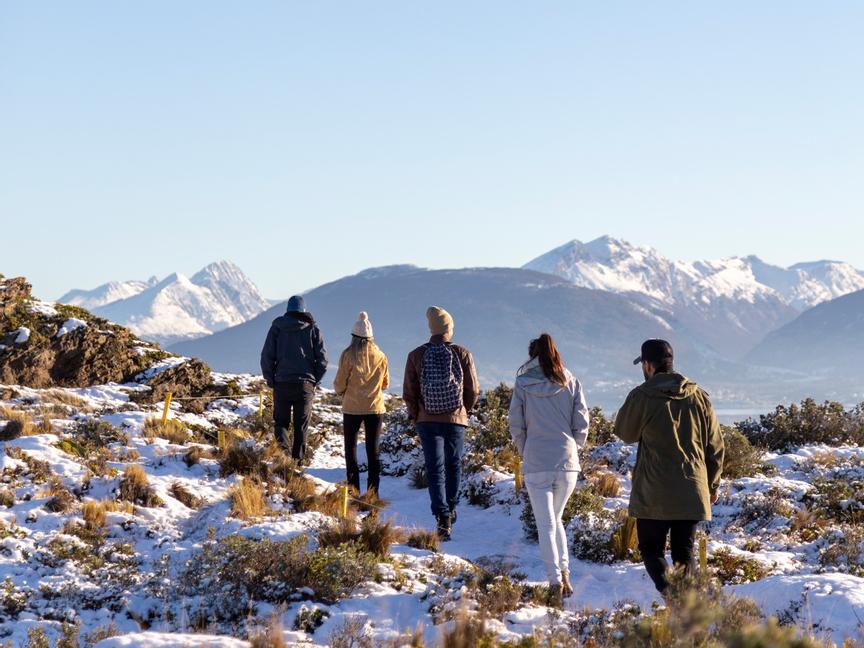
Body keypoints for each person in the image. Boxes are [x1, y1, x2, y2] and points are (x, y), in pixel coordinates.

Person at [613, 339, 725, 595]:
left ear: (648, 365)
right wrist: (712, 484)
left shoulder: (642, 396)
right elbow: (716, 445)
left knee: (651, 550)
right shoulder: (699, 396)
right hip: (692, 489)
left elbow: (625, 432)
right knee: (684, 553)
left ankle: (674, 599)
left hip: (654, 491)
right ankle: (689, 608)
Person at [508, 334, 589, 602]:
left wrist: (526, 449)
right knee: (556, 520)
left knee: (546, 525)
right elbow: (582, 423)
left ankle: (555, 581)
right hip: (567, 463)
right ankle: (565, 574)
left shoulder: (522, 383)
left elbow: (516, 424)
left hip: (537, 461)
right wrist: (572, 447)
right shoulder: (571, 382)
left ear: (531, 356)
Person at [403, 306, 479, 541]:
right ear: (449, 329)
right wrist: (464, 410)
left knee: (434, 468)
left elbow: (409, 391)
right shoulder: (462, 353)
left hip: (427, 420)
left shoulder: (416, 354)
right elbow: (473, 389)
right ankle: (452, 507)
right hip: (456, 419)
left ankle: (442, 517)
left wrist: (417, 414)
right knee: (453, 465)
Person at [260, 295, 328, 463]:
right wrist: (313, 381)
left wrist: (271, 380)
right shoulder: (313, 328)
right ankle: (297, 462)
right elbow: (322, 360)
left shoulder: (277, 327)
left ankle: (283, 458)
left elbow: (266, 356)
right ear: (304, 310)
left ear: (288, 310)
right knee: (301, 425)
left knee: (281, 422)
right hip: (305, 385)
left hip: (282, 383)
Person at [333, 312, 390, 496]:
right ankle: (373, 494)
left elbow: (340, 382)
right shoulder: (381, 356)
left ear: (354, 336)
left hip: (352, 408)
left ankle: (354, 491)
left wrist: (342, 392)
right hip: (375, 408)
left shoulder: (348, 355)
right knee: (373, 452)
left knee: (351, 451)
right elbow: (385, 383)